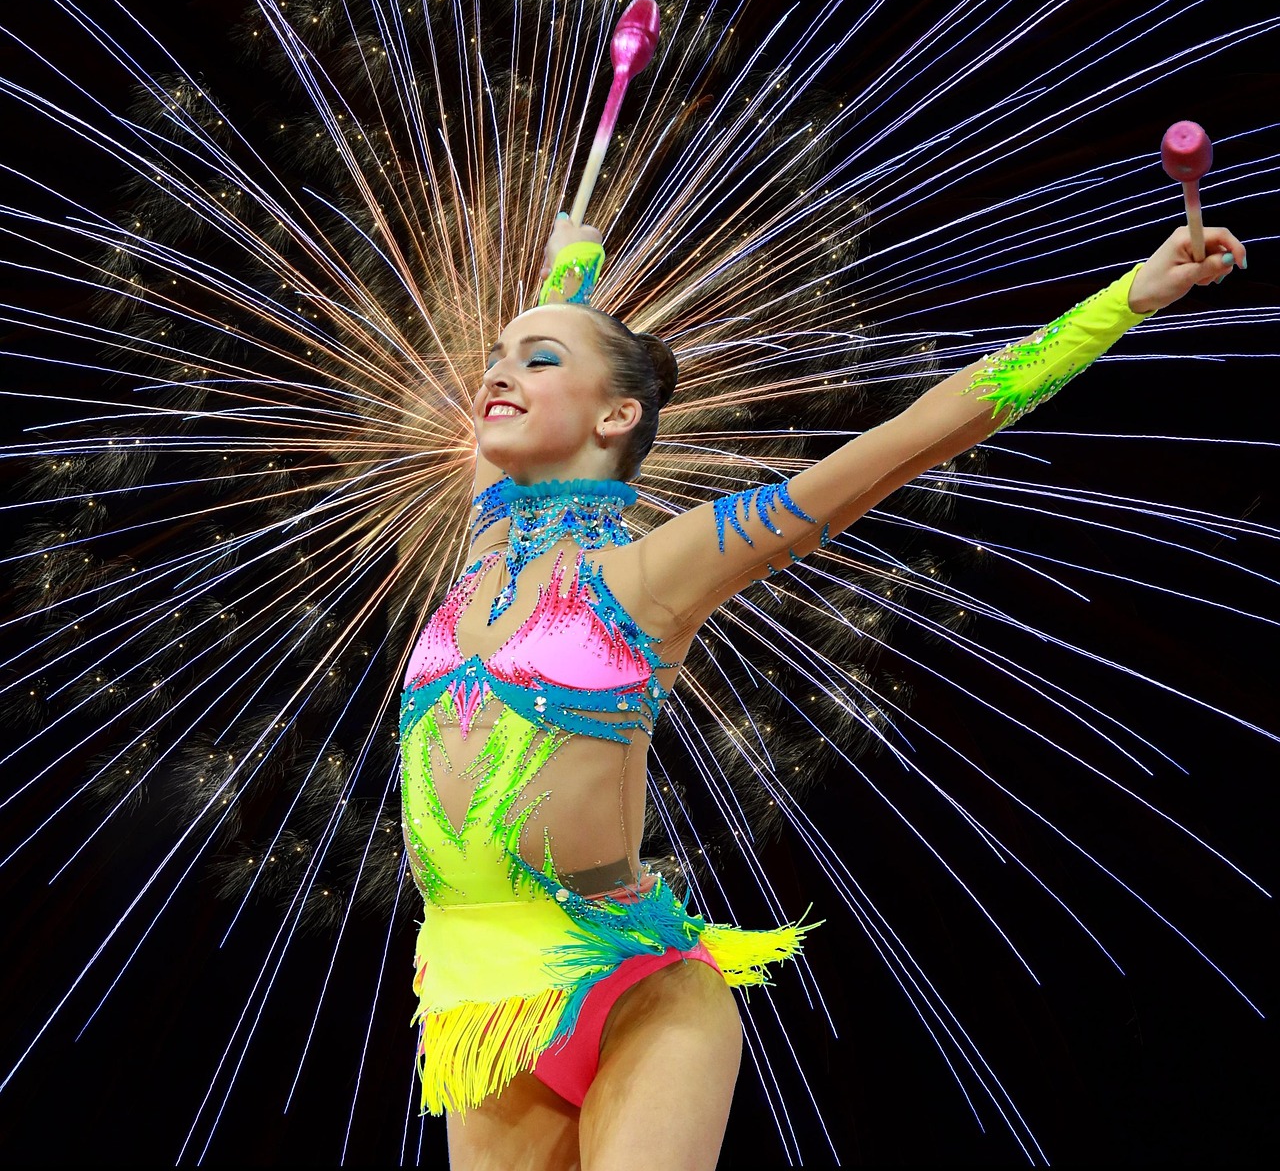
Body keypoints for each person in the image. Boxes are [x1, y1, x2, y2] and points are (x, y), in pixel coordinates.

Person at [401, 213, 1245, 1171]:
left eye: (536, 359)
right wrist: (571, 272)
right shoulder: (483, 546)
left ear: (617, 416)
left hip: (633, 989)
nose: (497, 373)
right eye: (497, 357)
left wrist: (1123, 301)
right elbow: (510, 429)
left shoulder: (651, 574)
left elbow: (912, 437)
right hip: (483, 996)